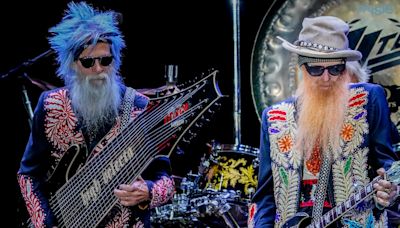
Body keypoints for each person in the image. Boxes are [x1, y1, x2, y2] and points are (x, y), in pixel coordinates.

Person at [17, 2, 175, 228]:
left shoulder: (140, 107)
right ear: (72, 64)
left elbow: (167, 183)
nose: (98, 69)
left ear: (115, 60)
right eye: (88, 62)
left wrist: (148, 191)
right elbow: (28, 175)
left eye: (105, 60)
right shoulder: (51, 104)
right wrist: (44, 223)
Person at [248, 16, 399, 227]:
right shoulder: (274, 118)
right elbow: (265, 198)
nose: (326, 78)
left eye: (335, 69)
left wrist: (390, 191)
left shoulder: (369, 100)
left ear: (345, 68)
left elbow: (389, 168)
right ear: (302, 68)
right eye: (316, 69)